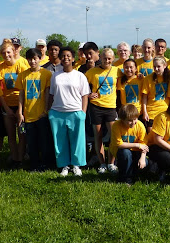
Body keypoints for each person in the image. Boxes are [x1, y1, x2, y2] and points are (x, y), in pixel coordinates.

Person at [48, 46, 90, 177]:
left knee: (77, 141)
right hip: (57, 113)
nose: (65, 58)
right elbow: (51, 94)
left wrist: (83, 113)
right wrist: (49, 111)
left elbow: (85, 95)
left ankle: (76, 165)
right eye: (63, 56)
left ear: (73, 59)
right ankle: (64, 165)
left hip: (75, 112)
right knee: (60, 141)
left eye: (68, 56)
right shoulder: (55, 76)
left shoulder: (80, 76)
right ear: (60, 59)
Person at [17, 48, 54, 172]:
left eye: (35, 59)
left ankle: (45, 164)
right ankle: (34, 164)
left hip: (41, 114)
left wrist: (46, 110)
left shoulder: (46, 74)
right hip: (28, 114)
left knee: (44, 141)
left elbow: (48, 93)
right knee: (31, 142)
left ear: (39, 59)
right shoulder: (23, 75)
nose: (32, 61)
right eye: (30, 59)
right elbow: (21, 95)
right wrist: (20, 112)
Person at [85, 47, 120, 173]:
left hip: (111, 107)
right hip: (96, 107)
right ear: (100, 58)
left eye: (109, 59)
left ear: (113, 59)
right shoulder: (92, 72)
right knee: (98, 136)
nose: (107, 61)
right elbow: (81, 86)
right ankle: (102, 163)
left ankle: (111, 163)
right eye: (105, 58)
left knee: (114, 136)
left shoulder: (117, 71)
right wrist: (89, 94)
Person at [0, 39, 27, 169]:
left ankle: (21, 158)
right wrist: (6, 108)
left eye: (8, 52)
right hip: (7, 105)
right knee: (11, 135)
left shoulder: (21, 65)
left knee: (22, 134)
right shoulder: (0, 68)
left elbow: (24, 88)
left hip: (21, 104)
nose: (6, 55)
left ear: (14, 52)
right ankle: (15, 159)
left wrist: (20, 109)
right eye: (3, 53)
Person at [109, 104, 148, 185]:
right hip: (121, 151)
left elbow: (144, 144)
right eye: (130, 120)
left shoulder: (140, 125)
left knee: (145, 162)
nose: (133, 123)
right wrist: (137, 145)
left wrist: (143, 158)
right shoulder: (116, 125)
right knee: (126, 154)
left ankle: (134, 175)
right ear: (122, 120)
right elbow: (118, 144)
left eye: (135, 119)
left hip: (136, 152)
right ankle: (126, 179)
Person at [141, 56, 170, 131]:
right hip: (152, 111)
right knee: (151, 134)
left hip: (165, 110)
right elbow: (144, 97)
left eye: (158, 66)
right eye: (154, 67)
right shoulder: (148, 78)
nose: (156, 69)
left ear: (165, 66)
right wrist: (145, 112)